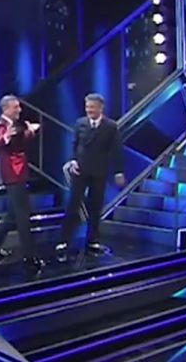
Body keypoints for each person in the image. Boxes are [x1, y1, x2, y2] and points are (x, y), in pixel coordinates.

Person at [57, 93, 125, 256]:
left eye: (92, 107)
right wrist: (73, 160)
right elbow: (75, 144)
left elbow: (116, 149)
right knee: (73, 204)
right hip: (80, 170)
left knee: (95, 206)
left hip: (99, 171)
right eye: (87, 107)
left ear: (101, 108)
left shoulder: (110, 126)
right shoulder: (80, 123)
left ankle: (92, 240)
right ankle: (64, 240)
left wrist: (118, 172)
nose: (89, 110)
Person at [0, 94, 45, 270]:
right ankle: (29, 256)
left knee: (13, 215)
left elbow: (19, 144)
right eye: (15, 107)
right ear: (6, 109)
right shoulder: (1, 125)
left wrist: (29, 132)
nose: (19, 110)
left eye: (19, 106)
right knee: (23, 215)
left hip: (19, 172)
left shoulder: (15, 125)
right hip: (12, 174)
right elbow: (0, 143)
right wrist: (9, 136)